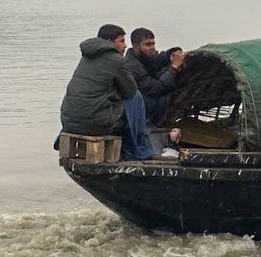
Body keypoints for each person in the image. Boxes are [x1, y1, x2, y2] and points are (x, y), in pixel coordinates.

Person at [58, 23, 153, 160]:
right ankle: (138, 147)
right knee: (136, 98)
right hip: (95, 125)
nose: (125, 46)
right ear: (109, 42)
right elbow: (130, 92)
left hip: (68, 122)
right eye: (121, 41)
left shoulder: (86, 57)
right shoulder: (117, 60)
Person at [124, 27, 185, 126]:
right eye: (148, 44)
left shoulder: (144, 56)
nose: (152, 47)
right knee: (161, 94)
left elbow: (158, 58)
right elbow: (155, 88)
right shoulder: (132, 66)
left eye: (153, 43)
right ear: (135, 46)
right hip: (140, 109)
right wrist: (174, 67)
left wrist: (172, 54)